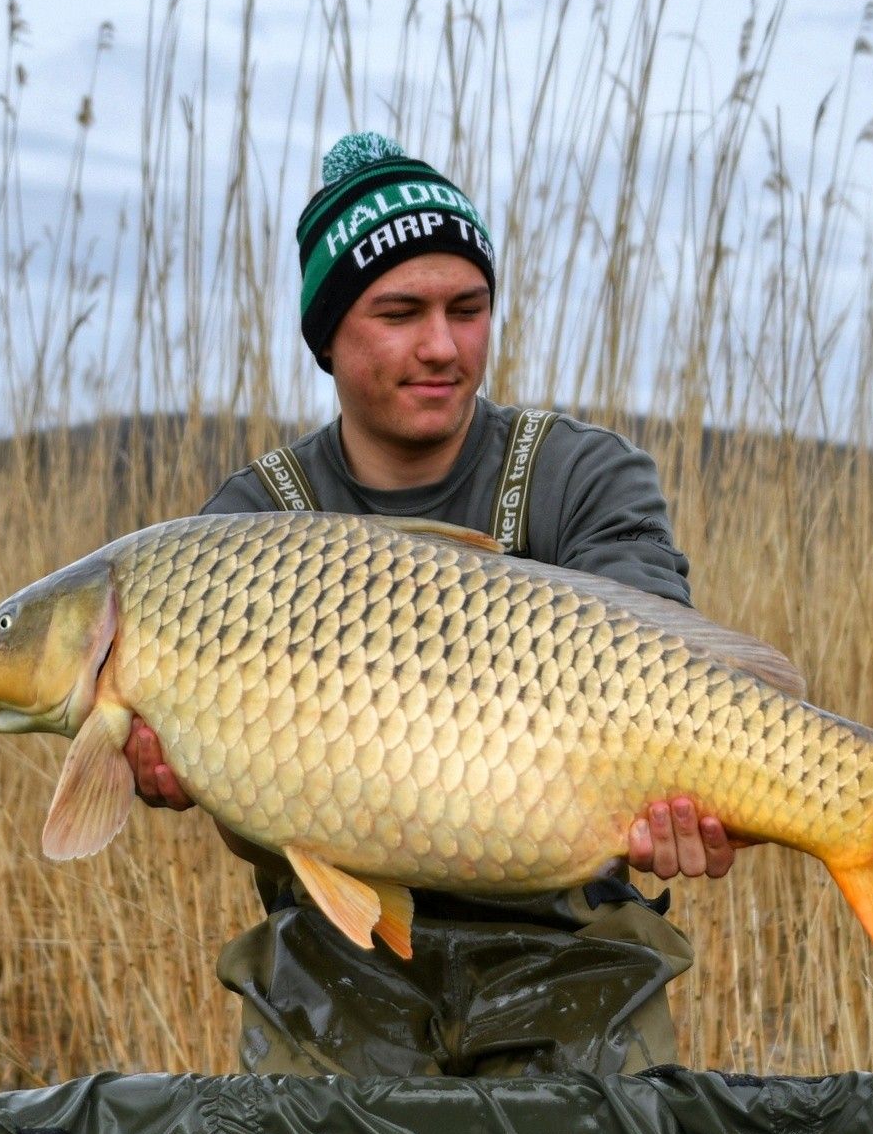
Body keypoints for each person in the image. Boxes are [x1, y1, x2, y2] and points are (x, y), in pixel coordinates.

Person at [123, 132, 743, 1076]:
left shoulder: (584, 475)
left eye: (469, 307)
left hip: (573, 970)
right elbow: (243, 797)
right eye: (401, 312)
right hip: (336, 980)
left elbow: (656, 662)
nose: (443, 347)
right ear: (328, 336)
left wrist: (690, 797)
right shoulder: (243, 530)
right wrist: (157, 763)